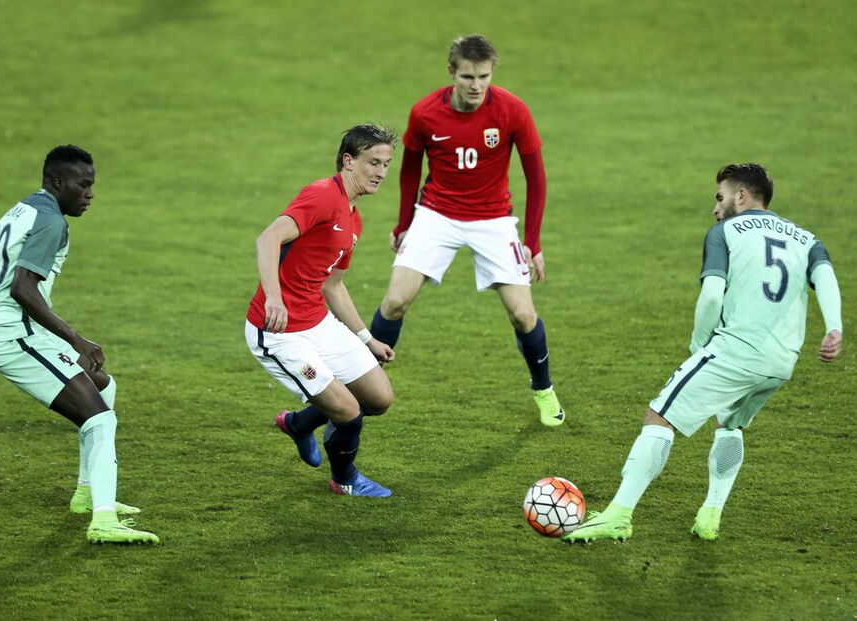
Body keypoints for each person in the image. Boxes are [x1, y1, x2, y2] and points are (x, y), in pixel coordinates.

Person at [563, 163, 843, 543]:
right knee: (730, 423)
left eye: (720, 196)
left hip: (735, 352)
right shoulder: (806, 238)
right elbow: (824, 274)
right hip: (780, 363)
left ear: (740, 196)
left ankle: (617, 515)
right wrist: (834, 328)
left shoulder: (724, 232)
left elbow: (712, 294)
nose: (715, 207)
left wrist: (699, 345)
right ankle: (710, 516)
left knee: (659, 417)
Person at [0, 145, 159, 544]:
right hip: (15, 337)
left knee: (104, 389)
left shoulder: (23, 210)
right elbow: (23, 288)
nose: (90, 194)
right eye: (83, 185)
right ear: (58, 182)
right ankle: (104, 522)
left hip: (18, 332)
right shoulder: (52, 223)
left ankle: (88, 495)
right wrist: (76, 338)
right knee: (99, 419)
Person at [368, 34, 564, 426]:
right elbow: (409, 172)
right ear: (452, 72)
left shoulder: (513, 111)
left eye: (484, 77)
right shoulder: (425, 113)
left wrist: (534, 243)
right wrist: (404, 224)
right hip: (437, 215)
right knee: (394, 303)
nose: (477, 86)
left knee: (523, 315)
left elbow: (536, 178)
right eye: (469, 77)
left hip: (493, 220)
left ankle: (543, 389)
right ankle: (364, 383)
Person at [245, 124, 398, 497]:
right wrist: (275, 298)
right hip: (279, 332)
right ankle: (345, 479)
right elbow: (268, 238)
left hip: (318, 322)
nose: (381, 172)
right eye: (373, 162)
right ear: (348, 161)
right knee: (347, 411)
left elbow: (334, 286)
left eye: (386, 164)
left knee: (379, 398)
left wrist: (367, 339)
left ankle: (299, 424)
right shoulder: (321, 196)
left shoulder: (354, 218)